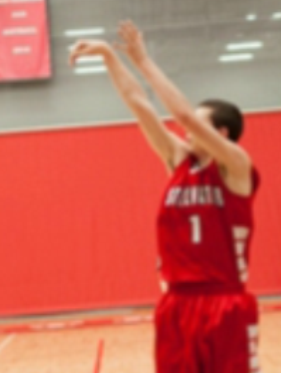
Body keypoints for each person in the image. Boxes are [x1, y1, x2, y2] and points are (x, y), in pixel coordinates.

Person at [69, 21, 261, 373]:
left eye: (196, 124)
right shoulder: (178, 161)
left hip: (225, 302)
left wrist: (143, 60)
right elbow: (139, 104)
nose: (184, 128)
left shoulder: (236, 166)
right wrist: (110, 57)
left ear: (220, 133)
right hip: (176, 301)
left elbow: (182, 112)